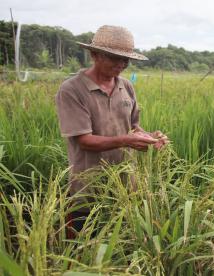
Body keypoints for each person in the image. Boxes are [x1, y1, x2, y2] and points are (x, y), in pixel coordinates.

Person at [55, 25, 168, 238]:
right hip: (88, 185)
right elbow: (84, 141)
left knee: (122, 245)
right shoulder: (72, 90)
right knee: (84, 248)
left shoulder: (126, 86)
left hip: (125, 184)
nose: (121, 65)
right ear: (94, 54)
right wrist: (127, 140)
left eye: (126, 60)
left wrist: (150, 138)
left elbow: (133, 126)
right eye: (114, 58)